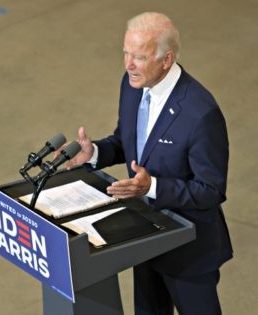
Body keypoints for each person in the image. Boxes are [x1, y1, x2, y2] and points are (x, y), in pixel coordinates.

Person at [65, 12, 233, 315]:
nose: (128, 64)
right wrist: (93, 154)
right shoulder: (132, 85)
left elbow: (210, 190)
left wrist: (151, 186)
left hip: (189, 253)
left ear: (166, 59)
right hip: (144, 238)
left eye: (139, 57)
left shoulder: (201, 114)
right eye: (125, 53)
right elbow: (127, 142)